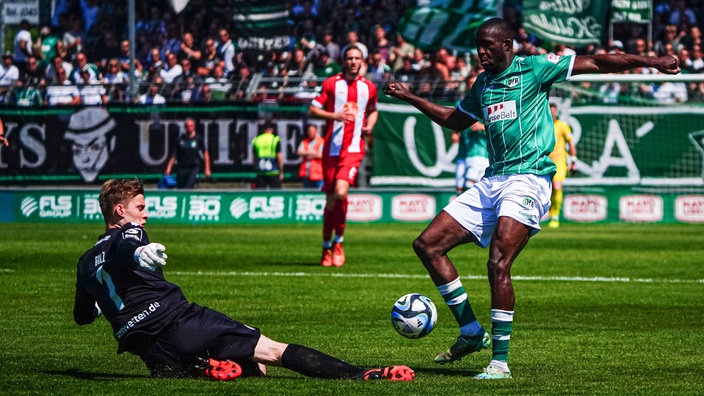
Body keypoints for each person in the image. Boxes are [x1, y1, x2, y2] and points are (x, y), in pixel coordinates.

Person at [384, 17, 679, 380]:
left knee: (498, 262)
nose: (480, 51)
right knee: (427, 245)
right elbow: (456, 121)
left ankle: (500, 362)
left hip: (529, 179)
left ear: (507, 46)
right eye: (478, 44)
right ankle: (472, 332)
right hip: (492, 180)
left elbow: (599, 61)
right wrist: (410, 96)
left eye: (487, 45)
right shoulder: (483, 84)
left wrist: (650, 61)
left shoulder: (534, 68)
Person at [74, 178, 414, 381]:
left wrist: (106, 305)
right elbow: (126, 246)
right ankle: (361, 374)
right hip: (181, 322)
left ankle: (202, 367)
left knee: (229, 370)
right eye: (140, 207)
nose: (145, 214)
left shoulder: (85, 262)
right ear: (120, 211)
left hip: (147, 348)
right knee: (271, 354)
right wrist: (137, 254)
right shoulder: (131, 234)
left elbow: (82, 316)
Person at [308, 45, 378, 267]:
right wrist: (335, 115)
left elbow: (374, 110)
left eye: (357, 58)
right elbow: (312, 109)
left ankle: (339, 243)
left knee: (341, 191)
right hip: (331, 149)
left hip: (353, 149)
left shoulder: (369, 87)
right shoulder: (331, 83)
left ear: (362, 61)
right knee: (330, 202)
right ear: (343, 61)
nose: (353, 62)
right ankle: (326, 247)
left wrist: (370, 126)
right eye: (349, 58)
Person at [547, 103, 577, 228]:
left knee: (557, 185)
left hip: (559, 160)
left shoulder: (562, 126)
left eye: (554, 111)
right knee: (546, 190)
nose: (552, 113)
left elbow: (571, 143)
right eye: (550, 110)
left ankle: (555, 216)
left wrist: (573, 160)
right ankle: (547, 214)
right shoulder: (543, 126)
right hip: (546, 160)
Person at [164, 117, 211, 189]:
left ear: (194, 126)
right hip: (181, 168)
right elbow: (174, 155)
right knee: (180, 188)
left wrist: (207, 168)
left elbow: (205, 153)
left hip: (193, 168)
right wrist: (168, 168)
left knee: (189, 187)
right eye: (187, 126)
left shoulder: (198, 139)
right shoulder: (180, 139)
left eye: (191, 126)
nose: (189, 128)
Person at [452, 122, 488, 196]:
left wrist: (483, 126)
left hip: (480, 154)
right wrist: (454, 132)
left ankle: (467, 203)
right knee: (460, 186)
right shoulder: (463, 115)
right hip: (466, 156)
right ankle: (462, 204)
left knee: (472, 183)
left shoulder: (483, 113)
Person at [251, 121, 284, 189]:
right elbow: (279, 156)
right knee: (276, 195)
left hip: (261, 171)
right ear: (272, 129)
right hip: (273, 171)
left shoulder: (256, 139)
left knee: (260, 194)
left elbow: (254, 157)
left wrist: (255, 167)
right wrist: (281, 172)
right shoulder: (275, 139)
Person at [297, 124, 325, 189]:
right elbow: (299, 152)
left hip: (318, 175)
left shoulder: (321, 141)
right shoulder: (305, 142)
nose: (310, 133)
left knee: (319, 194)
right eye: (309, 132)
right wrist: (313, 152)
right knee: (307, 194)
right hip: (307, 174)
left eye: (312, 131)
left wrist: (306, 153)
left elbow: (321, 155)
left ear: (316, 131)